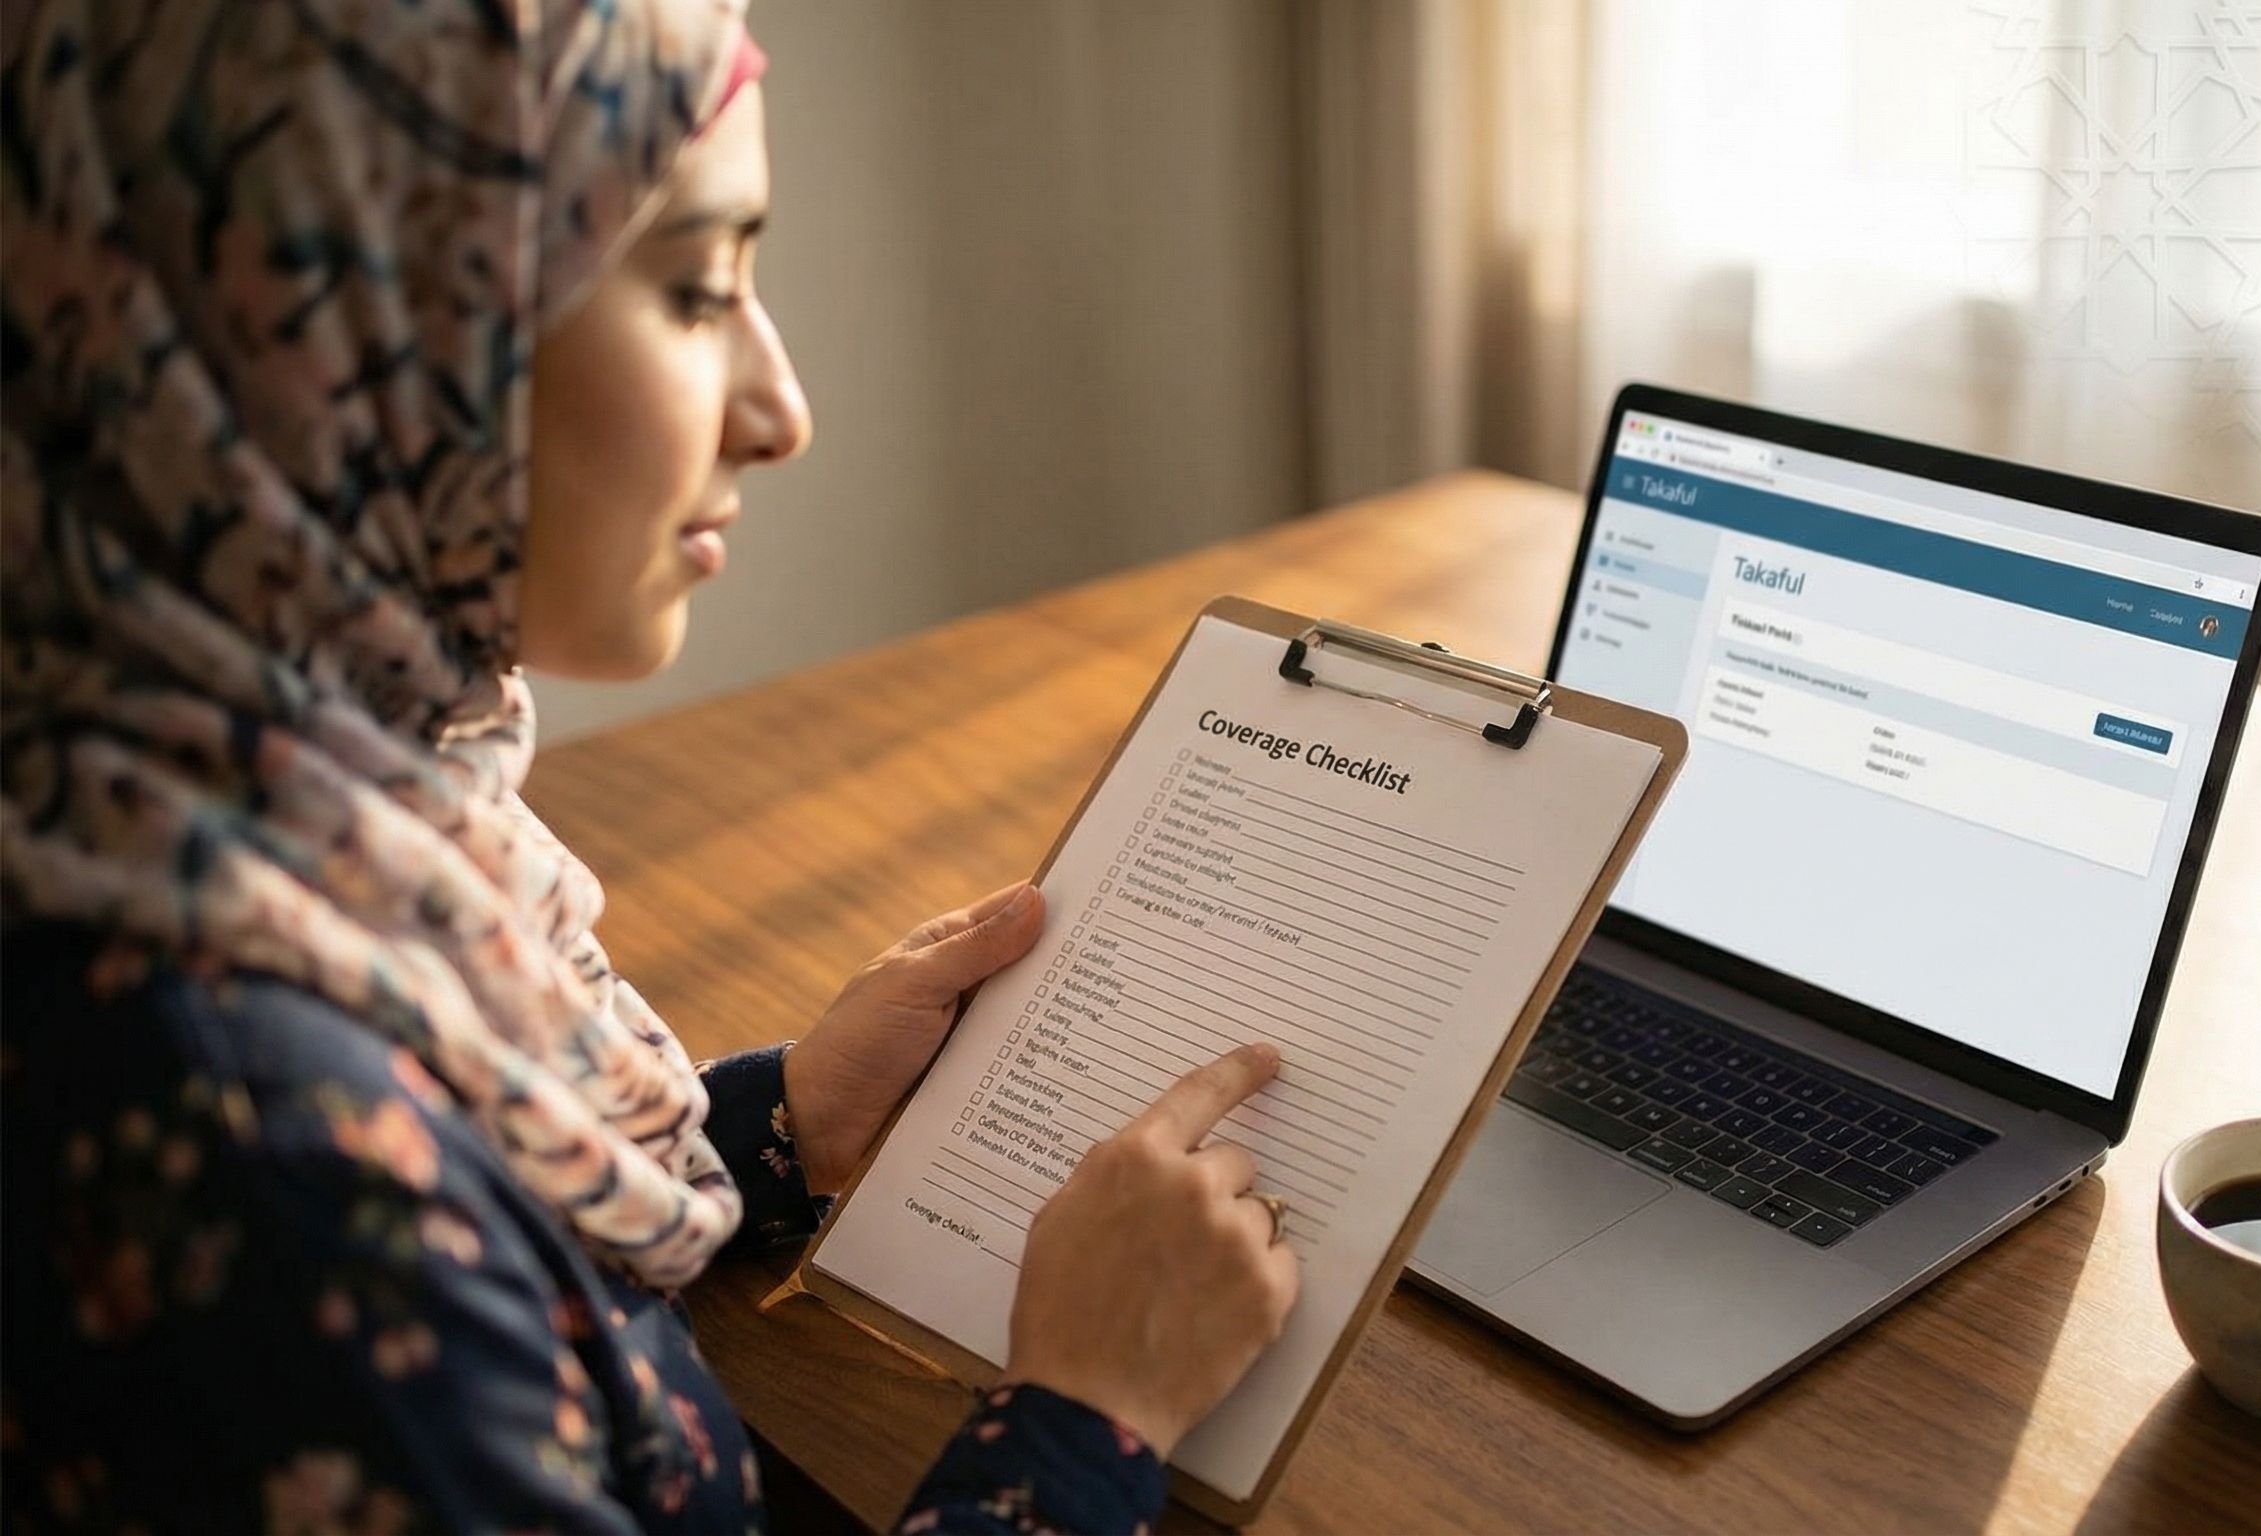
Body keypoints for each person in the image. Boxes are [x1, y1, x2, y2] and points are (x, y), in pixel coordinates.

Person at [0, 2, 1297, 1529]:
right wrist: (1091, 1413)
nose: (784, 413)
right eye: (694, 287)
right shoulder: (267, 1170)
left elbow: (510, 1239)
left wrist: (779, 1124)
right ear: (345, 322)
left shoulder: (267, 787)